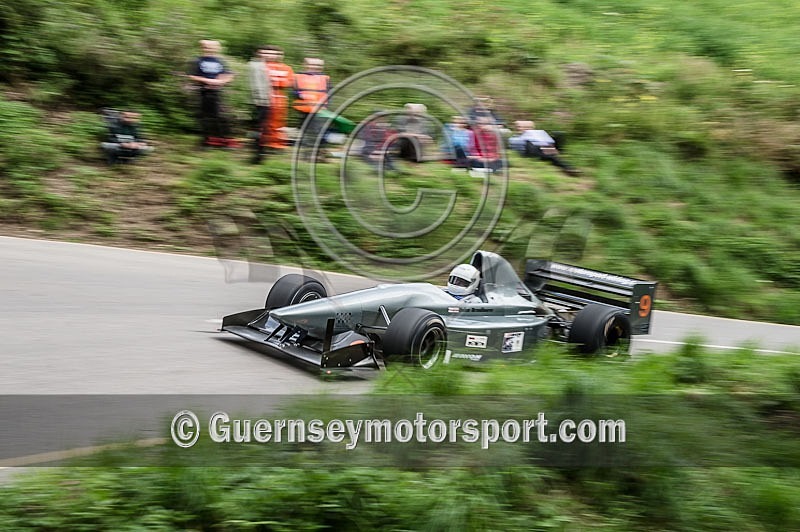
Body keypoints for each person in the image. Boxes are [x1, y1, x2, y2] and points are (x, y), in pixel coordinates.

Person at [187, 40, 238, 148]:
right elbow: (192, 75)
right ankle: (206, 141)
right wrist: (207, 81)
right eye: (207, 47)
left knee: (221, 116)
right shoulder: (197, 60)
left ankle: (222, 141)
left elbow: (228, 75)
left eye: (213, 47)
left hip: (217, 92)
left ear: (217, 48)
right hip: (202, 91)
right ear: (202, 48)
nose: (210, 48)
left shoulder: (221, 61)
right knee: (204, 117)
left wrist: (221, 82)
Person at [508, 120, 580, 176]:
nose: (525, 129)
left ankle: (569, 168)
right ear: (517, 129)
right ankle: (567, 167)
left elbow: (547, 141)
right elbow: (514, 146)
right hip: (530, 152)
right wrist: (524, 138)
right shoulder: (515, 138)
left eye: (528, 128)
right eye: (522, 127)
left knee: (557, 137)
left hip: (543, 149)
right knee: (550, 156)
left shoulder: (538, 134)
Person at [263, 46, 294, 149]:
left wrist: (276, 82)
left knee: (278, 120)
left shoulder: (286, 68)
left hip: (280, 96)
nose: (271, 56)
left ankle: (276, 142)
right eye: (268, 53)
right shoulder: (261, 67)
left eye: (274, 54)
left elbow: (290, 82)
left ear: (279, 55)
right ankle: (264, 142)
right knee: (264, 120)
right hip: (263, 95)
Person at [248, 45, 272, 162]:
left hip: (266, 100)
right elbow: (256, 85)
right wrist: (261, 100)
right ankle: (258, 152)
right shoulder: (256, 65)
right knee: (260, 126)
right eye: (264, 53)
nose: (266, 55)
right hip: (260, 101)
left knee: (262, 126)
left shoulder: (264, 65)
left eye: (268, 53)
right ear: (258, 53)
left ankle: (260, 150)